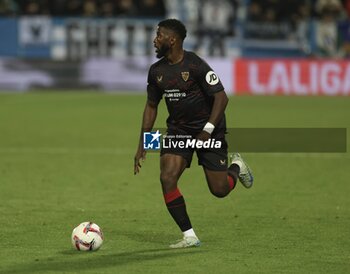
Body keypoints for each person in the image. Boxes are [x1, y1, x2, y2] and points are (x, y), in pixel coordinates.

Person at [134, 19, 253, 249]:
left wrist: (208, 131)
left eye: (159, 35)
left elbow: (221, 97)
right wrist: (142, 143)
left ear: (172, 40)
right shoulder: (156, 72)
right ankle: (189, 235)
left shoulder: (196, 65)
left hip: (210, 128)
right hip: (178, 130)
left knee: (219, 190)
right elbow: (151, 106)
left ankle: (237, 167)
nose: (154, 40)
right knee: (167, 177)